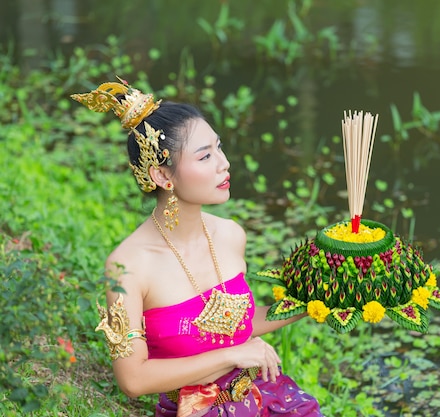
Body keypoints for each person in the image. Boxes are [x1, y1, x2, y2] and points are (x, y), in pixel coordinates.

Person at [71, 79, 322, 417]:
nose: (224, 164)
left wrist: (312, 304)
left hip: (264, 398)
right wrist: (233, 356)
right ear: (161, 175)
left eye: (219, 148)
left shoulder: (231, 235)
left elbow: (237, 325)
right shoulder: (127, 267)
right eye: (205, 156)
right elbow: (132, 379)